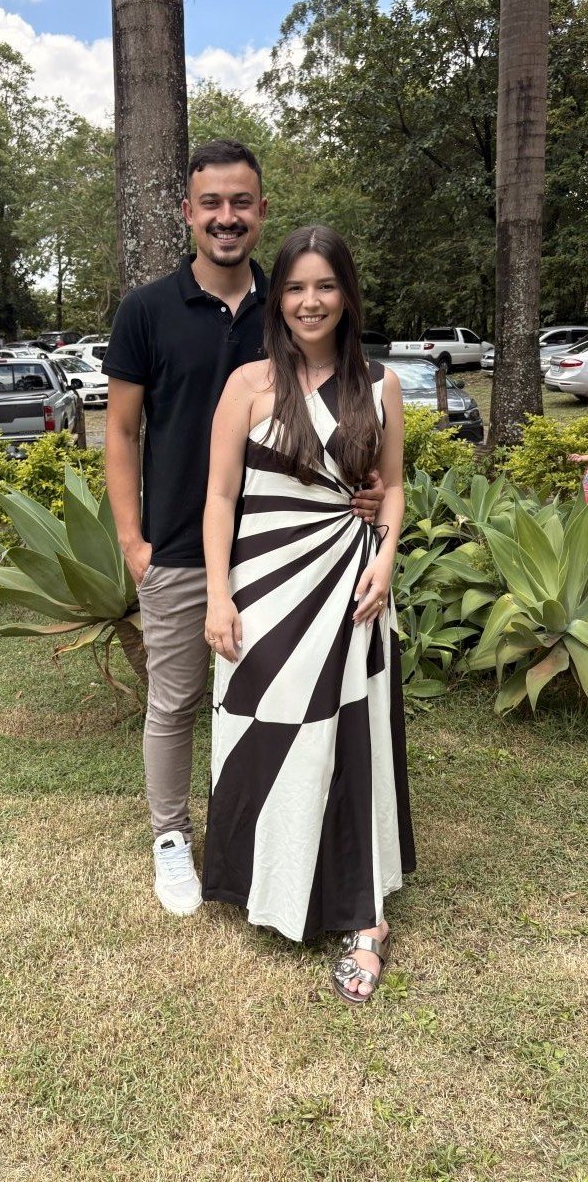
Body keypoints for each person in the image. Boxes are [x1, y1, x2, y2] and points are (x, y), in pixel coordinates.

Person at [103, 142, 384, 919]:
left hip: (281, 559)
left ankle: (268, 832)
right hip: (178, 547)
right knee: (175, 700)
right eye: (211, 203)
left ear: (261, 211)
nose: (225, 217)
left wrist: (361, 490)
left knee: (270, 702)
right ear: (187, 213)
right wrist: (133, 542)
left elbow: (341, 404)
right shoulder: (146, 311)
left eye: (240, 203)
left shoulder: (290, 303)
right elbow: (120, 433)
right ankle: (169, 836)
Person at [201, 224, 415, 1003]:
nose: (309, 301)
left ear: (346, 295)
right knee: (264, 728)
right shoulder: (248, 384)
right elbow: (219, 496)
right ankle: (271, 876)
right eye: (294, 287)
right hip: (262, 586)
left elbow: (392, 487)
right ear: (277, 298)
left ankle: (365, 916)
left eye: (325, 285)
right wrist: (217, 593)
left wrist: (385, 557)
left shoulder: (380, 384)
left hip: (350, 584)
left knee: (348, 739)